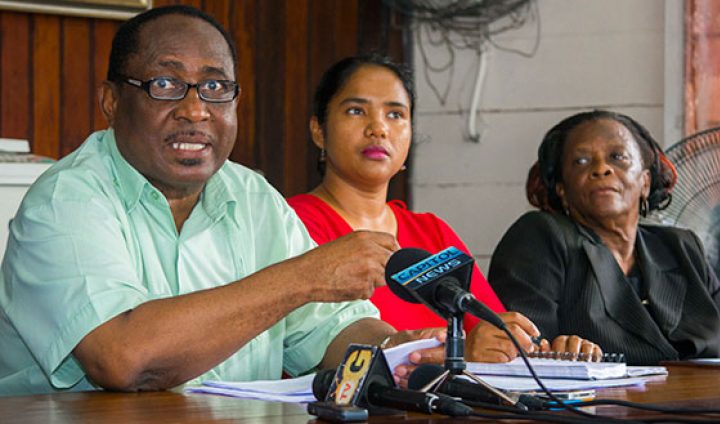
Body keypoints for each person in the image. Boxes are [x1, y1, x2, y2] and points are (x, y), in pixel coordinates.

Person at [0, 6, 428, 396]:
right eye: (165, 84)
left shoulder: (253, 197)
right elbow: (123, 358)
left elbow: (329, 328)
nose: (195, 110)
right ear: (111, 102)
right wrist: (302, 278)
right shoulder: (66, 199)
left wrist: (398, 349)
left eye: (214, 86)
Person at [287, 54, 601, 365]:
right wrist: (459, 350)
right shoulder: (289, 223)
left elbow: (491, 335)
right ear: (318, 130)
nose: (378, 128)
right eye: (356, 111)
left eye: (395, 114)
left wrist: (552, 353)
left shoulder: (431, 231)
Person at [488, 110, 720, 365]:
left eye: (617, 156)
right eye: (581, 161)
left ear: (646, 182)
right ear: (561, 189)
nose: (601, 169)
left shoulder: (680, 246)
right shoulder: (540, 236)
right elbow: (522, 346)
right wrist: (558, 350)